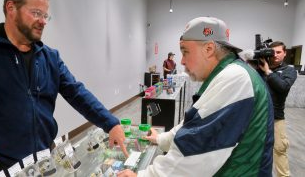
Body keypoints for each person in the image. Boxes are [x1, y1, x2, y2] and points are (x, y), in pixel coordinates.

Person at [0, 0, 127, 176]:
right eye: (36, 13)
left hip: (44, 161)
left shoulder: (49, 57)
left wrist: (110, 123)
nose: (42, 21)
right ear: (11, 8)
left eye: (45, 15)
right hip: (0, 166)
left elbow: (76, 92)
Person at [117, 17, 274, 177]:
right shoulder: (230, 73)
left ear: (209, 49)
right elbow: (195, 124)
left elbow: (193, 152)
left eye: (185, 51)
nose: (182, 61)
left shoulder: (235, 77)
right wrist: (161, 139)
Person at [257, 41, 297, 177]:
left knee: (280, 150)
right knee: (256, 149)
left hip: (276, 117)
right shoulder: (259, 67)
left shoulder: (289, 71)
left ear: (285, 53)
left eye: (279, 52)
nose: (275, 55)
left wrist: (268, 71)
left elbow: (283, 87)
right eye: (273, 52)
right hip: (257, 116)